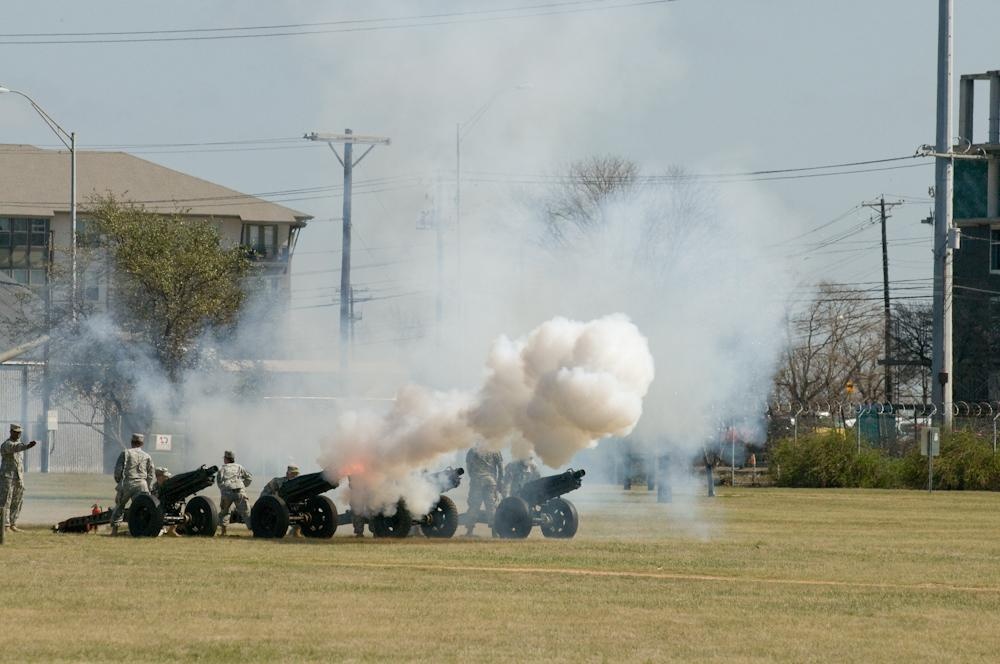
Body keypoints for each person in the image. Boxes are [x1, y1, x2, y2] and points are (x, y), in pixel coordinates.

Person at [109, 433, 155, 535]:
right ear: (142, 443)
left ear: (131, 442)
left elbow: (118, 470)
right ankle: (139, 528)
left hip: (128, 483)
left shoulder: (125, 453)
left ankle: (115, 530)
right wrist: (148, 485)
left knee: (120, 506)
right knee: (141, 507)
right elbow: (151, 474)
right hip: (142, 485)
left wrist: (119, 482)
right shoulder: (147, 456)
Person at [0, 424, 38, 533]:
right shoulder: (7, 444)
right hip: (7, 478)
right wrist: (27, 446)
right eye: (15, 432)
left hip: (18, 478)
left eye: (19, 432)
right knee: (5, 501)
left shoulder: (19, 445)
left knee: (17, 501)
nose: (18, 434)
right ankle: (5, 525)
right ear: (11, 432)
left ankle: (12, 523)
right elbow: (15, 447)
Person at [464, 444, 503, 536]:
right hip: (490, 481)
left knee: (474, 505)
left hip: (476, 480)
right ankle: (494, 532)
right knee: (491, 506)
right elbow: (501, 469)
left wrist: (473, 477)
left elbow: (469, 467)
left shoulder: (472, 450)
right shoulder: (495, 450)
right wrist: (499, 482)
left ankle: (469, 531)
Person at [217, 450, 252, 535]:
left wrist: (224, 489)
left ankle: (223, 532)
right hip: (240, 491)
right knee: (246, 512)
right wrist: (243, 486)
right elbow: (249, 477)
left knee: (225, 512)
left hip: (227, 492)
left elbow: (219, 481)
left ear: (226, 459)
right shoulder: (239, 467)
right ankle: (255, 531)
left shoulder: (222, 468)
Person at [151, 467, 180, 537]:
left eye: (167, 477)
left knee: (178, 506)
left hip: (170, 504)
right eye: (165, 477)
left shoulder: (169, 485)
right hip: (159, 508)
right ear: (158, 477)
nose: (167, 478)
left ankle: (172, 529)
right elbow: (155, 500)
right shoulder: (155, 487)